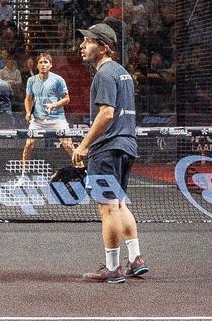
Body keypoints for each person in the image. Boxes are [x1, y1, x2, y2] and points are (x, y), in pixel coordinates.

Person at [69, 23, 145, 283]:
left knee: (108, 209)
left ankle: (112, 268)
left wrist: (84, 145)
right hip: (126, 145)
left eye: (88, 42)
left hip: (107, 149)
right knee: (120, 203)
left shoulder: (104, 74)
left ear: (103, 48)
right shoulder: (123, 72)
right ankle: (135, 258)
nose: (82, 45)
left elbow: (106, 113)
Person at [21, 51, 71, 169]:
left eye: (46, 62)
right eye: (40, 62)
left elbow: (67, 99)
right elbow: (28, 99)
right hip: (38, 120)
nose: (43, 65)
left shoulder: (58, 80)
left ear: (51, 65)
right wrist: (28, 112)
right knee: (28, 145)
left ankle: (82, 170)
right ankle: (24, 173)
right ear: (37, 65)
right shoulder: (31, 80)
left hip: (57, 119)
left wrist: (54, 105)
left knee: (68, 145)